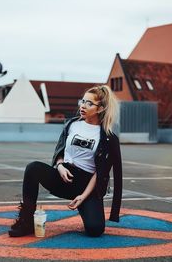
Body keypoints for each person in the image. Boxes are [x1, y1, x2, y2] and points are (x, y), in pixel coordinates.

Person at [8, 85, 122, 237]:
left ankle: (84, 206)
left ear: (100, 108)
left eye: (89, 103)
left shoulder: (108, 137)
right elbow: (60, 152)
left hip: (87, 186)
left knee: (95, 229)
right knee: (33, 168)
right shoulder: (71, 125)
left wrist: (83, 197)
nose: (83, 106)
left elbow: (100, 173)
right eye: (83, 101)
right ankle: (26, 221)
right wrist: (60, 165)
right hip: (64, 178)